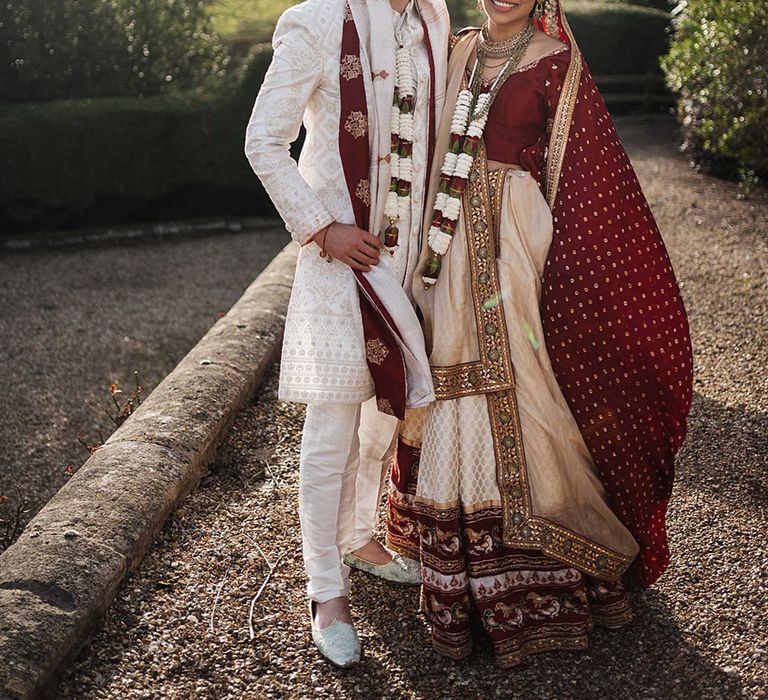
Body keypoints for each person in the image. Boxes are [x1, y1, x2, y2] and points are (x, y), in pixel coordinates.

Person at [390, 0, 693, 667]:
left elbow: (589, 183)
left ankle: (538, 569)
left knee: (523, 384)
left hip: (512, 252)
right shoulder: (453, 47)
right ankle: (456, 563)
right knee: (441, 380)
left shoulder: (557, 64)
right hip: (439, 249)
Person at [244, 0, 449, 667]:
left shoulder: (432, 22)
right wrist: (320, 228)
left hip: (412, 268)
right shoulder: (318, 20)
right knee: (331, 433)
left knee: (381, 422)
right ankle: (325, 592)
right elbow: (262, 141)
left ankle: (362, 538)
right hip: (342, 265)